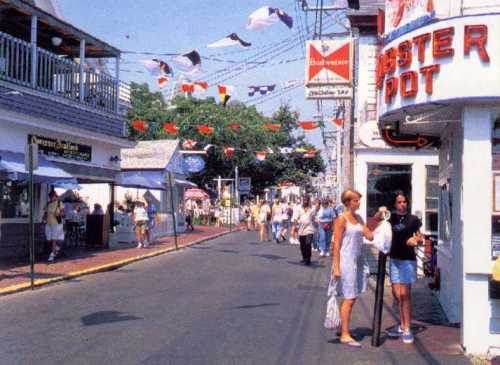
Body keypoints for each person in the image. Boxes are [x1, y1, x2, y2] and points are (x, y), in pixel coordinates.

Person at [332, 188, 381, 347]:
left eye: (359, 200)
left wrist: (378, 219)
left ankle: (342, 327)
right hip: (346, 261)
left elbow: (370, 235)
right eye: (355, 200)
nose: (358, 203)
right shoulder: (341, 219)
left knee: (351, 295)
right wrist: (336, 267)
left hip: (358, 260)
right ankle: (345, 334)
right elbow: (337, 244)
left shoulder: (359, 218)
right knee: (350, 297)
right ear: (347, 203)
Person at [384, 191, 423, 344]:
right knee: (396, 293)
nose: (402, 204)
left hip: (407, 260)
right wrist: (382, 211)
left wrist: (416, 239)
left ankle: (407, 328)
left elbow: (420, 237)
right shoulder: (391, 218)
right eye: (399, 202)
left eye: (404, 202)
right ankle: (402, 324)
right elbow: (377, 218)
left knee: (405, 294)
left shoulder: (413, 219)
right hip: (394, 259)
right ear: (395, 204)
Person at [43, 191, 65, 262]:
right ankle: (57, 248)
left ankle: (52, 255)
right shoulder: (48, 204)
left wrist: (59, 214)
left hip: (57, 223)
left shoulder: (59, 203)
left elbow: (63, 213)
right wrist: (43, 219)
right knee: (48, 239)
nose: (52, 198)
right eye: (51, 196)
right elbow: (45, 213)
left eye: (53, 196)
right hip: (48, 224)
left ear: (56, 196)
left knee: (54, 239)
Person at [296, 196, 317, 265]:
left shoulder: (312, 209)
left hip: (309, 229)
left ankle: (308, 259)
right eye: (304, 200)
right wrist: (295, 224)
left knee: (308, 244)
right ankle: (304, 257)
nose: (305, 201)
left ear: (308, 201)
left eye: (306, 200)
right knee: (302, 245)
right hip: (301, 230)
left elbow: (314, 217)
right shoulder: (299, 208)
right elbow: (296, 217)